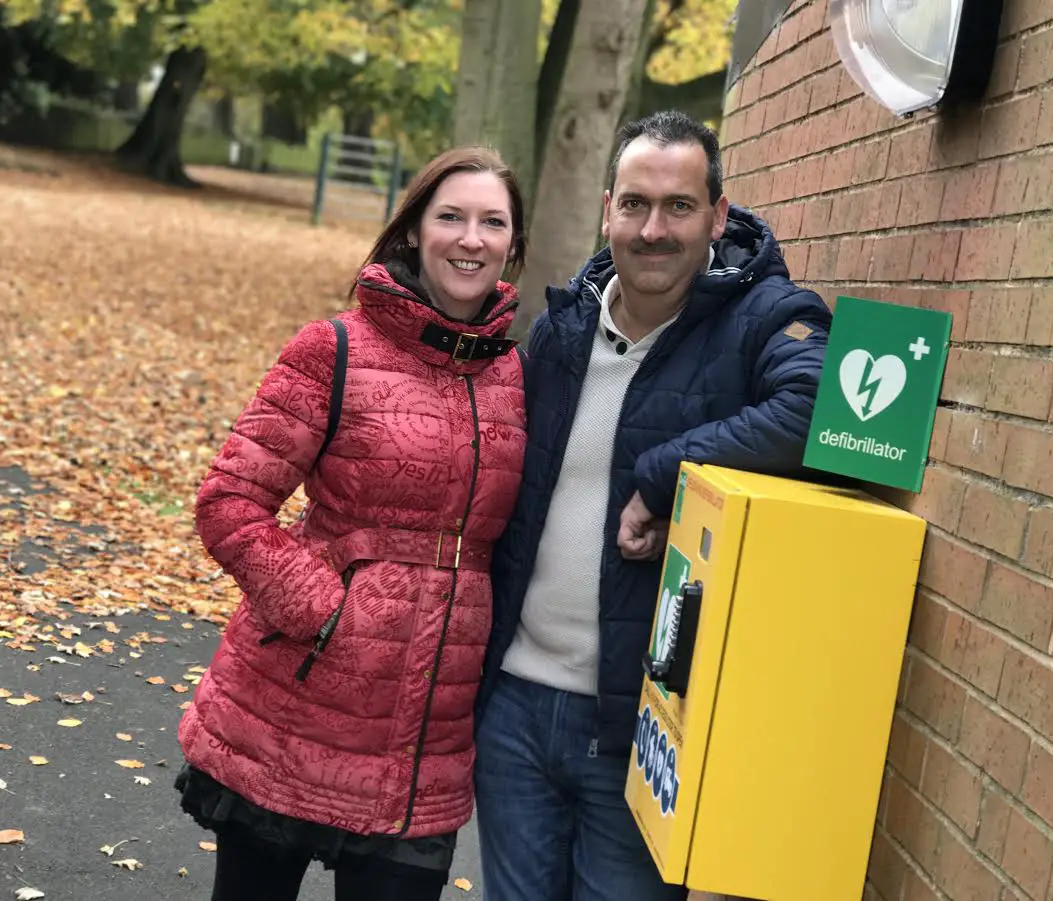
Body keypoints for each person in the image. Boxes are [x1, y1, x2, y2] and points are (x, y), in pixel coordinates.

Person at [474, 110, 832, 901]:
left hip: (644, 725)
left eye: (677, 206)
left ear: (717, 215)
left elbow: (817, 406)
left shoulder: (762, 320)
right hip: (516, 709)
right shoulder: (559, 332)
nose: (652, 228)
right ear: (608, 209)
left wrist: (665, 472)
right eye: (634, 204)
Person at [176, 146, 529, 901]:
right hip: (296, 707)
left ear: (511, 246)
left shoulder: (514, 376)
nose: (471, 238)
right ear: (412, 232)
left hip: (424, 741)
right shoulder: (333, 349)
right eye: (451, 217)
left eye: (491, 222)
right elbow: (229, 502)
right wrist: (327, 610)